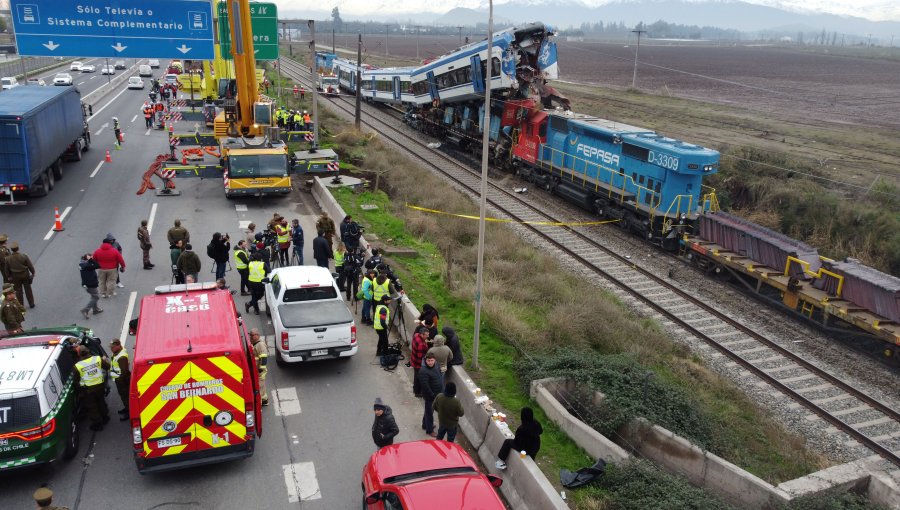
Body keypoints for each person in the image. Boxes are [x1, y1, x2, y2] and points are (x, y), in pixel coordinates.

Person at [73, 345, 110, 431]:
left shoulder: (78, 366)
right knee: (101, 402)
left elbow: (76, 381)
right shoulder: (97, 359)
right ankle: (105, 418)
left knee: (92, 407)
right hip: (100, 386)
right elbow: (107, 367)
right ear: (88, 351)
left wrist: (80, 392)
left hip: (88, 390)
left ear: (79, 354)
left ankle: (97, 424)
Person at [417, 353, 443, 437]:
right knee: (429, 413)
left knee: (429, 411)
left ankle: (425, 425)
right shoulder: (423, 371)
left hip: (437, 393)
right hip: (430, 396)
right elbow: (425, 386)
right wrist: (432, 395)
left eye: (432, 360)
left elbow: (439, 376)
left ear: (435, 360)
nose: (430, 362)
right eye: (428, 361)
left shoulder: (437, 365)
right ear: (425, 360)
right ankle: (429, 430)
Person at [7, 242, 36, 308]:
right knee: (28, 289)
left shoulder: (8, 259)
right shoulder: (24, 256)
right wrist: (33, 272)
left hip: (15, 276)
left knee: (18, 291)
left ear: (11, 250)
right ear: (18, 248)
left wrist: (9, 276)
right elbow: (30, 266)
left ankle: (21, 305)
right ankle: (31, 304)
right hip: (25, 274)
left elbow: (7, 269)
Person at [109, 339, 130, 421]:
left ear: (118, 345)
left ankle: (129, 412)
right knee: (123, 395)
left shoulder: (121, 357)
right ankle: (126, 408)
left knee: (125, 396)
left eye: (113, 347)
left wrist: (120, 380)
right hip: (120, 380)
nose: (111, 349)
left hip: (123, 381)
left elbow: (124, 371)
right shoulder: (117, 353)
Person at [78, 254, 103, 320]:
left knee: (93, 296)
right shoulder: (87, 265)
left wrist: (90, 260)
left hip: (88, 283)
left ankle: (95, 309)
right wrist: (91, 260)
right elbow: (98, 265)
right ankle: (85, 310)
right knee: (96, 297)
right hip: (91, 283)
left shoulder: (82, 264)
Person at [249, 329, 269, 406]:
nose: (250, 337)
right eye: (250, 335)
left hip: (260, 372)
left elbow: (264, 358)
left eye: (252, 335)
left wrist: (260, 370)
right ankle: (264, 401)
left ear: (257, 335)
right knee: (261, 387)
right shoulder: (255, 344)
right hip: (257, 370)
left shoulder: (260, 345)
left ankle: (259, 405)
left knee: (259, 388)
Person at [410, 326, 430, 397]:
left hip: (413, 359)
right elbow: (420, 357)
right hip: (418, 363)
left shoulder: (416, 335)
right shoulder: (421, 344)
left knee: (416, 376)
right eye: (426, 335)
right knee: (419, 378)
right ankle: (417, 392)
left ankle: (415, 388)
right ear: (422, 334)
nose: (427, 337)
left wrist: (425, 342)